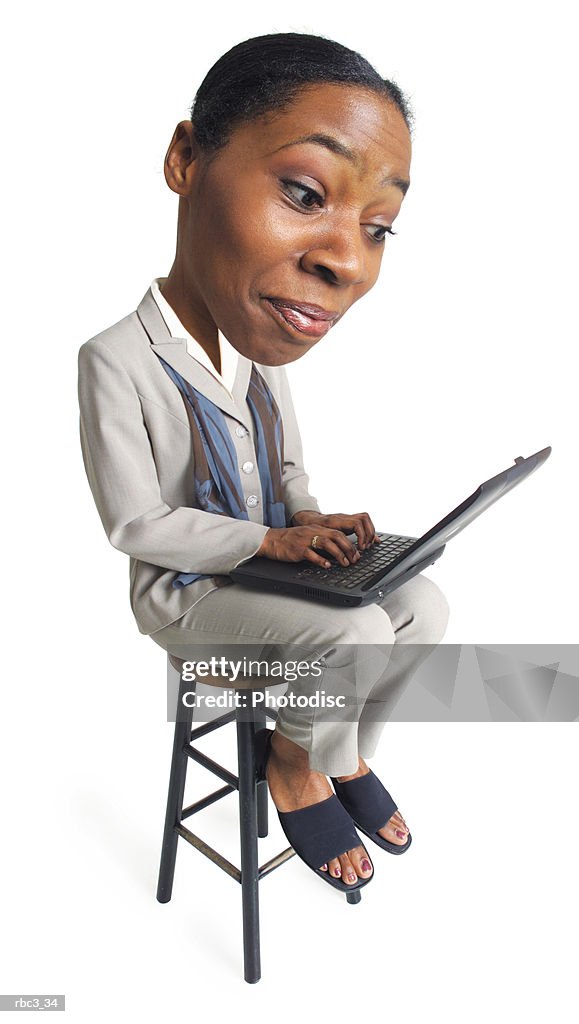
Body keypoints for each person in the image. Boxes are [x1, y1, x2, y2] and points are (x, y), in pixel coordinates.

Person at [78, 32, 449, 894]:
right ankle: (294, 762)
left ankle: (338, 755)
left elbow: (287, 483)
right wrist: (266, 548)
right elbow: (135, 524)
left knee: (422, 604)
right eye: (302, 191)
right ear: (185, 158)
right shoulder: (114, 360)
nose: (347, 259)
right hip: (188, 598)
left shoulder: (262, 354)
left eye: (378, 226)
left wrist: (310, 521)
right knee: (354, 631)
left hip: (269, 583)